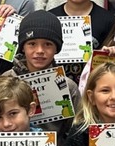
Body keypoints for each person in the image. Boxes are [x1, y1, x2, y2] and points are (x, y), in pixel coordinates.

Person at [10, 10, 79, 138]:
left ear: (56, 48)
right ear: (22, 47)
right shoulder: (6, 81)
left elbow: (74, 131)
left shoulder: (68, 87)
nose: (40, 51)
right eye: (32, 44)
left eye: (48, 44)